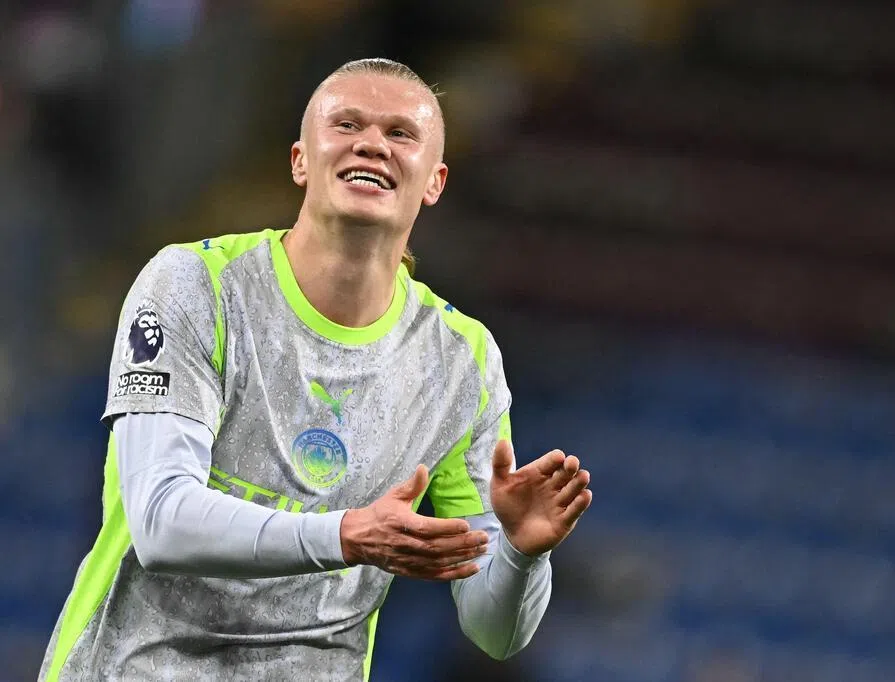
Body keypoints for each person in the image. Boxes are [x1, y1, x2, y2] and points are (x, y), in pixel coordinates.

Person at [39, 57, 592, 681]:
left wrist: (520, 555)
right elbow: (161, 521)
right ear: (300, 160)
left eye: (400, 133)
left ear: (434, 181)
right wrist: (346, 535)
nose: (373, 144)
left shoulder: (462, 362)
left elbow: (494, 633)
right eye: (347, 124)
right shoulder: (197, 285)